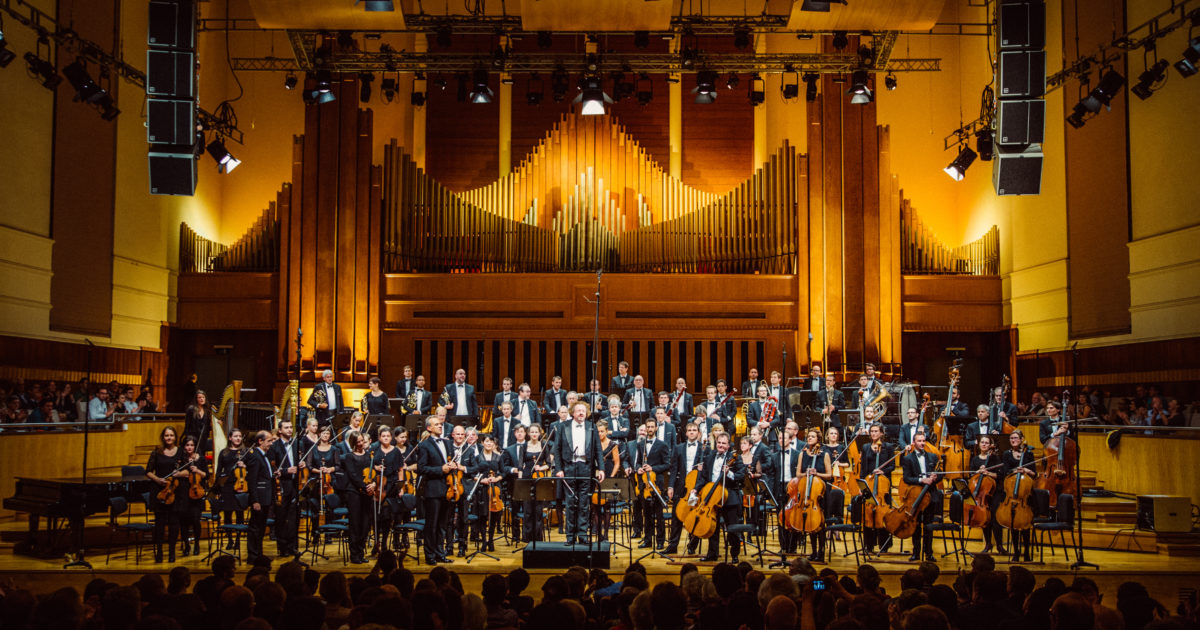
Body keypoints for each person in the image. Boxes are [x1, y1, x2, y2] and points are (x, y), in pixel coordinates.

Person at [554, 402, 605, 544]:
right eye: (578, 411)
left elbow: (598, 450)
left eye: (583, 411)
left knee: (584, 504)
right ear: (573, 413)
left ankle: (582, 535)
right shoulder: (563, 426)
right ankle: (570, 536)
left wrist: (601, 468)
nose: (581, 413)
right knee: (570, 503)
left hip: (586, 467)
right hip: (569, 467)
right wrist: (559, 469)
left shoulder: (591, 426)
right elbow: (556, 450)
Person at [417, 415, 460, 564]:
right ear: (429, 428)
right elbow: (422, 469)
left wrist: (452, 467)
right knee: (432, 525)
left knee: (443, 525)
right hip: (433, 490)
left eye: (441, 424)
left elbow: (449, 463)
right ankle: (430, 556)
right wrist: (440, 469)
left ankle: (440, 554)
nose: (440, 426)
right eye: (437, 424)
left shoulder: (447, 443)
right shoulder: (424, 445)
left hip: (447, 489)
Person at [699, 433, 746, 563]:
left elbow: (741, 476)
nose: (720, 445)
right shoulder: (709, 457)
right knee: (712, 527)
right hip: (713, 497)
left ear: (728, 445)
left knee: (732, 528)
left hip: (729, 497)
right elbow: (703, 477)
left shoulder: (735, 458)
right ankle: (712, 554)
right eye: (719, 442)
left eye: (723, 443)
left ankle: (734, 554)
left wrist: (729, 473)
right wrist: (695, 489)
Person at [665, 422, 706, 555]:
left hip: (696, 488)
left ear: (698, 433)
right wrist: (670, 485)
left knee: (693, 516)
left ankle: (692, 545)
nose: (692, 432)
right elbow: (674, 468)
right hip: (681, 487)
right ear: (686, 433)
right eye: (690, 430)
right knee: (676, 516)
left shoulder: (704, 448)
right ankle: (672, 546)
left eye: (694, 430)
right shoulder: (678, 448)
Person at [901, 432, 942, 562]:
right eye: (919, 441)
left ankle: (929, 553)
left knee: (928, 526)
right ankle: (916, 553)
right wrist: (922, 480)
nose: (922, 443)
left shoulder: (933, 456)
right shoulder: (908, 459)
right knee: (916, 525)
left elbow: (941, 474)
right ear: (914, 443)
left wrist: (935, 478)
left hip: (931, 495)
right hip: (916, 495)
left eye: (924, 441)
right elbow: (907, 478)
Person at [145, 426, 184, 563]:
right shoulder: (156, 452)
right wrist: (158, 479)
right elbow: (148, 471)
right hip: (159, 491)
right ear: (163, 437)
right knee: (160, 524)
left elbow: (188, 471)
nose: (169, 438)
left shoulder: (180, 452)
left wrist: (179, 473)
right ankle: (160, 552)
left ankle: (172, 553)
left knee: (174, 524)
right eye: (167, 435)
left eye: (171, 435)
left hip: (175, 491)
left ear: (175, 437)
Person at [632, 417, 671, 550]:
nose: (649, 429)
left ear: (656, 428)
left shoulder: (663, 445)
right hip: (644, 485)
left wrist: (653, 468)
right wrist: (638, 468)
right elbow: (637, 462)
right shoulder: (640, 444)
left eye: (651, 427)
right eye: (647, 427)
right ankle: (648, 539)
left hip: (657, 484)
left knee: (658, 515)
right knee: (646, 514)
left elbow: (667, 464)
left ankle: (660, 540)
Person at [798, 427, 833, 562]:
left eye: (812, 436)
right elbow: (798, 474)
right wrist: (807, 473)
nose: (809, 438)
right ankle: (813, 551)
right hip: (808, 493)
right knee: (811, 524)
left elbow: (829, 475)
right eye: (808, 437)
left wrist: (816, 473)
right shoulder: (803, 454)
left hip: (821, 493)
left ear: (818, 439)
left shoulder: (824, 454)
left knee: (820, 524)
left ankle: (821, 551)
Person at [339, 430, 375, 564]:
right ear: (353, 443)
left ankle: (361, 552)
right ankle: (354, 554)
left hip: (367, 493)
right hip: (354, 492)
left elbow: (372, 473)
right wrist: (365, 486)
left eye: (362, 441)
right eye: (358, 442)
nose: (361, 444)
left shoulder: (369, 456)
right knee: (355, 524)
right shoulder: (349, 456)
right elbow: (353, 475)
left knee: (365, 524)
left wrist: (373, 484)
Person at [1001, 430, 1037, 563]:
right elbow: (1005, 471)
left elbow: (1034, 474)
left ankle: (1027, 552)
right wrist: (1015, 470)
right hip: (1012, 493)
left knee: (1026, 524)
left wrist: (1026, 470)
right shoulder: (1006, 454)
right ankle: (1016, 552)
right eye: (1011, 438)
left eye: (1015, 438)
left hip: (1025, 495)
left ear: (1022, 439)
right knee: (1013, 525)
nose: (1013, 440)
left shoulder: (1028, 454)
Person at [967, 434, 1006, 555]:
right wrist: (978, 472)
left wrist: (987, 473)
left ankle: (999, 545)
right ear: (979, 445)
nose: (984, 444)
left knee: (994, 518)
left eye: (986, 443)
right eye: (982, 442)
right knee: (985, 519)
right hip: (981, 493)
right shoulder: (975, 459)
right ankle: (988, 544)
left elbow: (1000, 475)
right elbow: (971, 476)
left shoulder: (995, 458)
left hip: (994, 492)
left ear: (990, 445)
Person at [268, 419, 301, 558]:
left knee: (294, 518)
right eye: (286, 427)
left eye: (291, 427)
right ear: (280, 430)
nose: (289, 430)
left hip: (295, 485)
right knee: (281, 518)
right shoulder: (274, 447)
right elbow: (272, 468)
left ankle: (293, 546)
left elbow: (298, 461)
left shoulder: (295, 443)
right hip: (281, 486)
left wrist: (301, 464)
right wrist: (287, 470)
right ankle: (282, 548)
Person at [515, 423, 552, 543]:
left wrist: (541, 468)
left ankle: (537, 538)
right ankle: (527, 538)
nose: (534, 434)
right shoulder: (524, 446)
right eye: (532, 432)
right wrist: (520, 483)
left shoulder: (544, 446)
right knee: (527, 511)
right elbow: (520, 465)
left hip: (539, 480)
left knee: (538, 510)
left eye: (536, 432)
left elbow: (549, 464)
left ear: (539, 433)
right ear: (529, 433)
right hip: (527, 478)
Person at [245, 430, 277, 565]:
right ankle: (253, 556)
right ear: (260, 441)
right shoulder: (255, 456)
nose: (271, 443)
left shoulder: (264, 455)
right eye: (269, 441)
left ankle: (259, 554)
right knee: (255, 528)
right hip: (259, 498)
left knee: (261, 528)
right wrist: (255, 500)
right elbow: (252, 480)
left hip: (266, 497)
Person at [444, 424, 475, 556]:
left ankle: (463, 546)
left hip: (464, 488)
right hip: (450, 488)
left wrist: (464, 468)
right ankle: (449, 546)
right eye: (458, 434)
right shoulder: (446, 448)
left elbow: (475, 469)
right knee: (449, 518)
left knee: (464, 519)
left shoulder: (469, 450)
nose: (460, 437)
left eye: (462, 434)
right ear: (452, 435)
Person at [303, 424, 340, 536]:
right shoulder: (313, 448)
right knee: (315, 507)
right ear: (319, 434)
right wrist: (318, 471)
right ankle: (315, 532)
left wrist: (329, 469)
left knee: (329, 507)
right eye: (323, 433)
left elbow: (338, 465)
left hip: (329, 480)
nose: (325, 435)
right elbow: (309, 466)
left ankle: (329, 534)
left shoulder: (334, 449)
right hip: (316, 480)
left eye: (327, 433)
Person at [470, 434, 505, 551]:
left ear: (494, 444)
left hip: (495, 488)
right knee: (483, 515)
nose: (489, 443)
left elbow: (503, 473)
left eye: (491, 441)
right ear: (482, 443)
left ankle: (491, 540)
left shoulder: (498, 457)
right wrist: (481, 479)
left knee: (494, 515)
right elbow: (472, 474)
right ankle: (484, 540)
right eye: (486, 441)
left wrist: (496, 479)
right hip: (482, 489)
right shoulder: (477, 458)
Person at [215, 427, 247, 550]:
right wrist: (220, 482)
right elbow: (219, 471)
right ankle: (229, 540)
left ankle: (238, 540)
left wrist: (245, 465)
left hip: (241, 485)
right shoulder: (224, 452)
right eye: (235, 436)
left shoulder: (245, 452)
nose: (238, 438)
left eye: (239, 436)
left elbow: (251, 468)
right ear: (230, 438)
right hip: (227, 486)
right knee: (227, 514)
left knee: (240, 515)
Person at [175, 434, 206, 558]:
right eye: (187, 445)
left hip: (196, 494)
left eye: (192, 445)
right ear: (184, 447)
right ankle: (186, 545)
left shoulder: (201, 459)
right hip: (182, 494)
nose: (189, 447)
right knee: (183, 522)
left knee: (195, 521)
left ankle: (197, 544)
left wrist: (197, 470)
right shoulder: (180, 459)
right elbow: (176, 473)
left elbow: (206, 475)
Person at [771, 429, 801, 555]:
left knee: (793, 517)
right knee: (781, 517)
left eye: (784, 438)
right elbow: (772, 475)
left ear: (790, 440)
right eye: (779, 439)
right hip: (780, 487)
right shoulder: (774, 456)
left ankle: (792, 546)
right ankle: (783, 546)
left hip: (793, 486)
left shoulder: (797, 454)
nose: (781, 440)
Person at [501, 423, 528, 541]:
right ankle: (516, 536)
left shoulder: (531, 447)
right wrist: (514, 470)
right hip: (514, 484)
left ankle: (527, 535)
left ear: (525, 433)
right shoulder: (509, 449)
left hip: (527, 483)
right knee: (515, 510)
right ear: (515, 434)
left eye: (522, 431)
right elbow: (505, 467)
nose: (520, 433)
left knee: (527, 510)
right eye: (517, 432)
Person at [184, 391, 211, 455]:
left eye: (203, 397)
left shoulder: (207, 410)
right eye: (199, 397)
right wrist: (189, 439)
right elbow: (187, 426)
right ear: (196, 399)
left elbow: (207, 426)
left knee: (201, 456)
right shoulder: (191, 409)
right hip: (193, 438)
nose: (201, 399)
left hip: (203, 438)